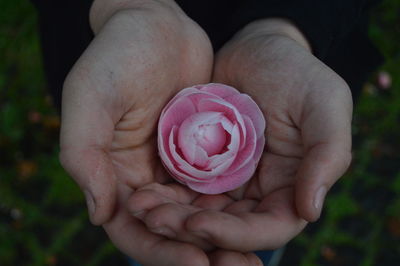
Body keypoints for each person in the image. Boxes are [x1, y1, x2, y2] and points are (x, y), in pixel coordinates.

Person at [32, 0, 383, 265]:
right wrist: (124, 5)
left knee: (253, 227)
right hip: (121, 93)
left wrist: (293, 22)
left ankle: (264, 251)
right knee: (151, 224)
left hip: (300, 58)